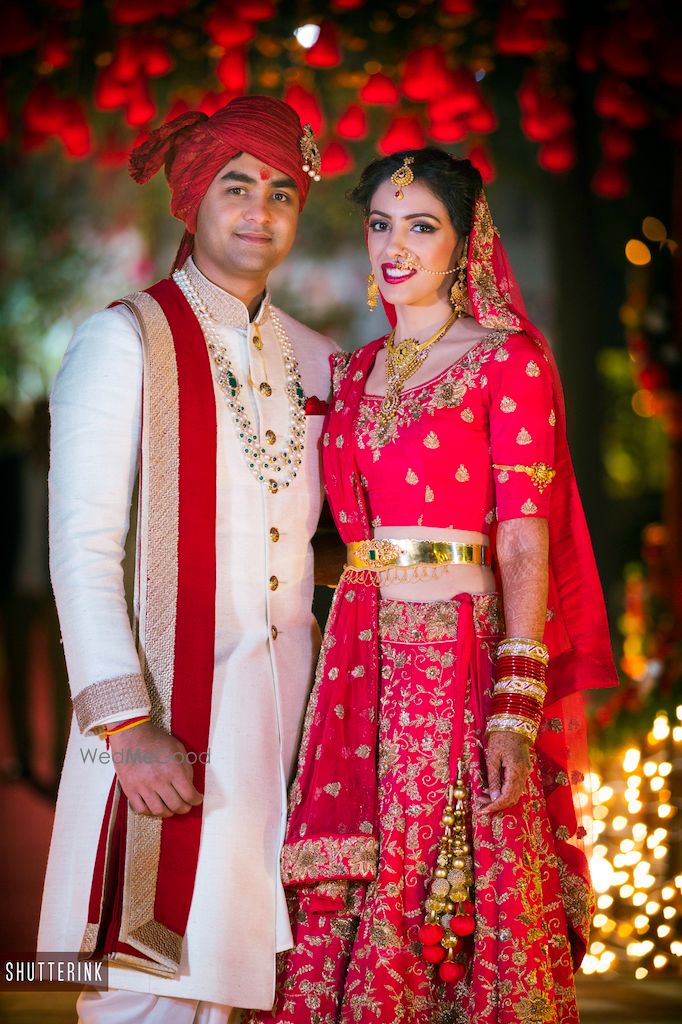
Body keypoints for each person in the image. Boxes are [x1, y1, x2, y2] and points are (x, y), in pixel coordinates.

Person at [247, 149, 618, 1024]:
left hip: (458, 657)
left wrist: (516, 700)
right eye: (381, 223)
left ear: (465, 242)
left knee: (439, 869)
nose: (396, 245)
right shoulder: (353, 372)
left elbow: (525, 539)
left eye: (422, 226)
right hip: (359, 655)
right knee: (355, 870)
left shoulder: (507, 360)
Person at [37, 95, 338, 1023]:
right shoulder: (123, 340)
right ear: (194, 196)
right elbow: (83, 547)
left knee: (258, 986)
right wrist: (126, 726)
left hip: (290, 730)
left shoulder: (319, 360)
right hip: (167, 726)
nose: (261, 210)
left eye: (283, 191)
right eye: (238, 185)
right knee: (149, 991)